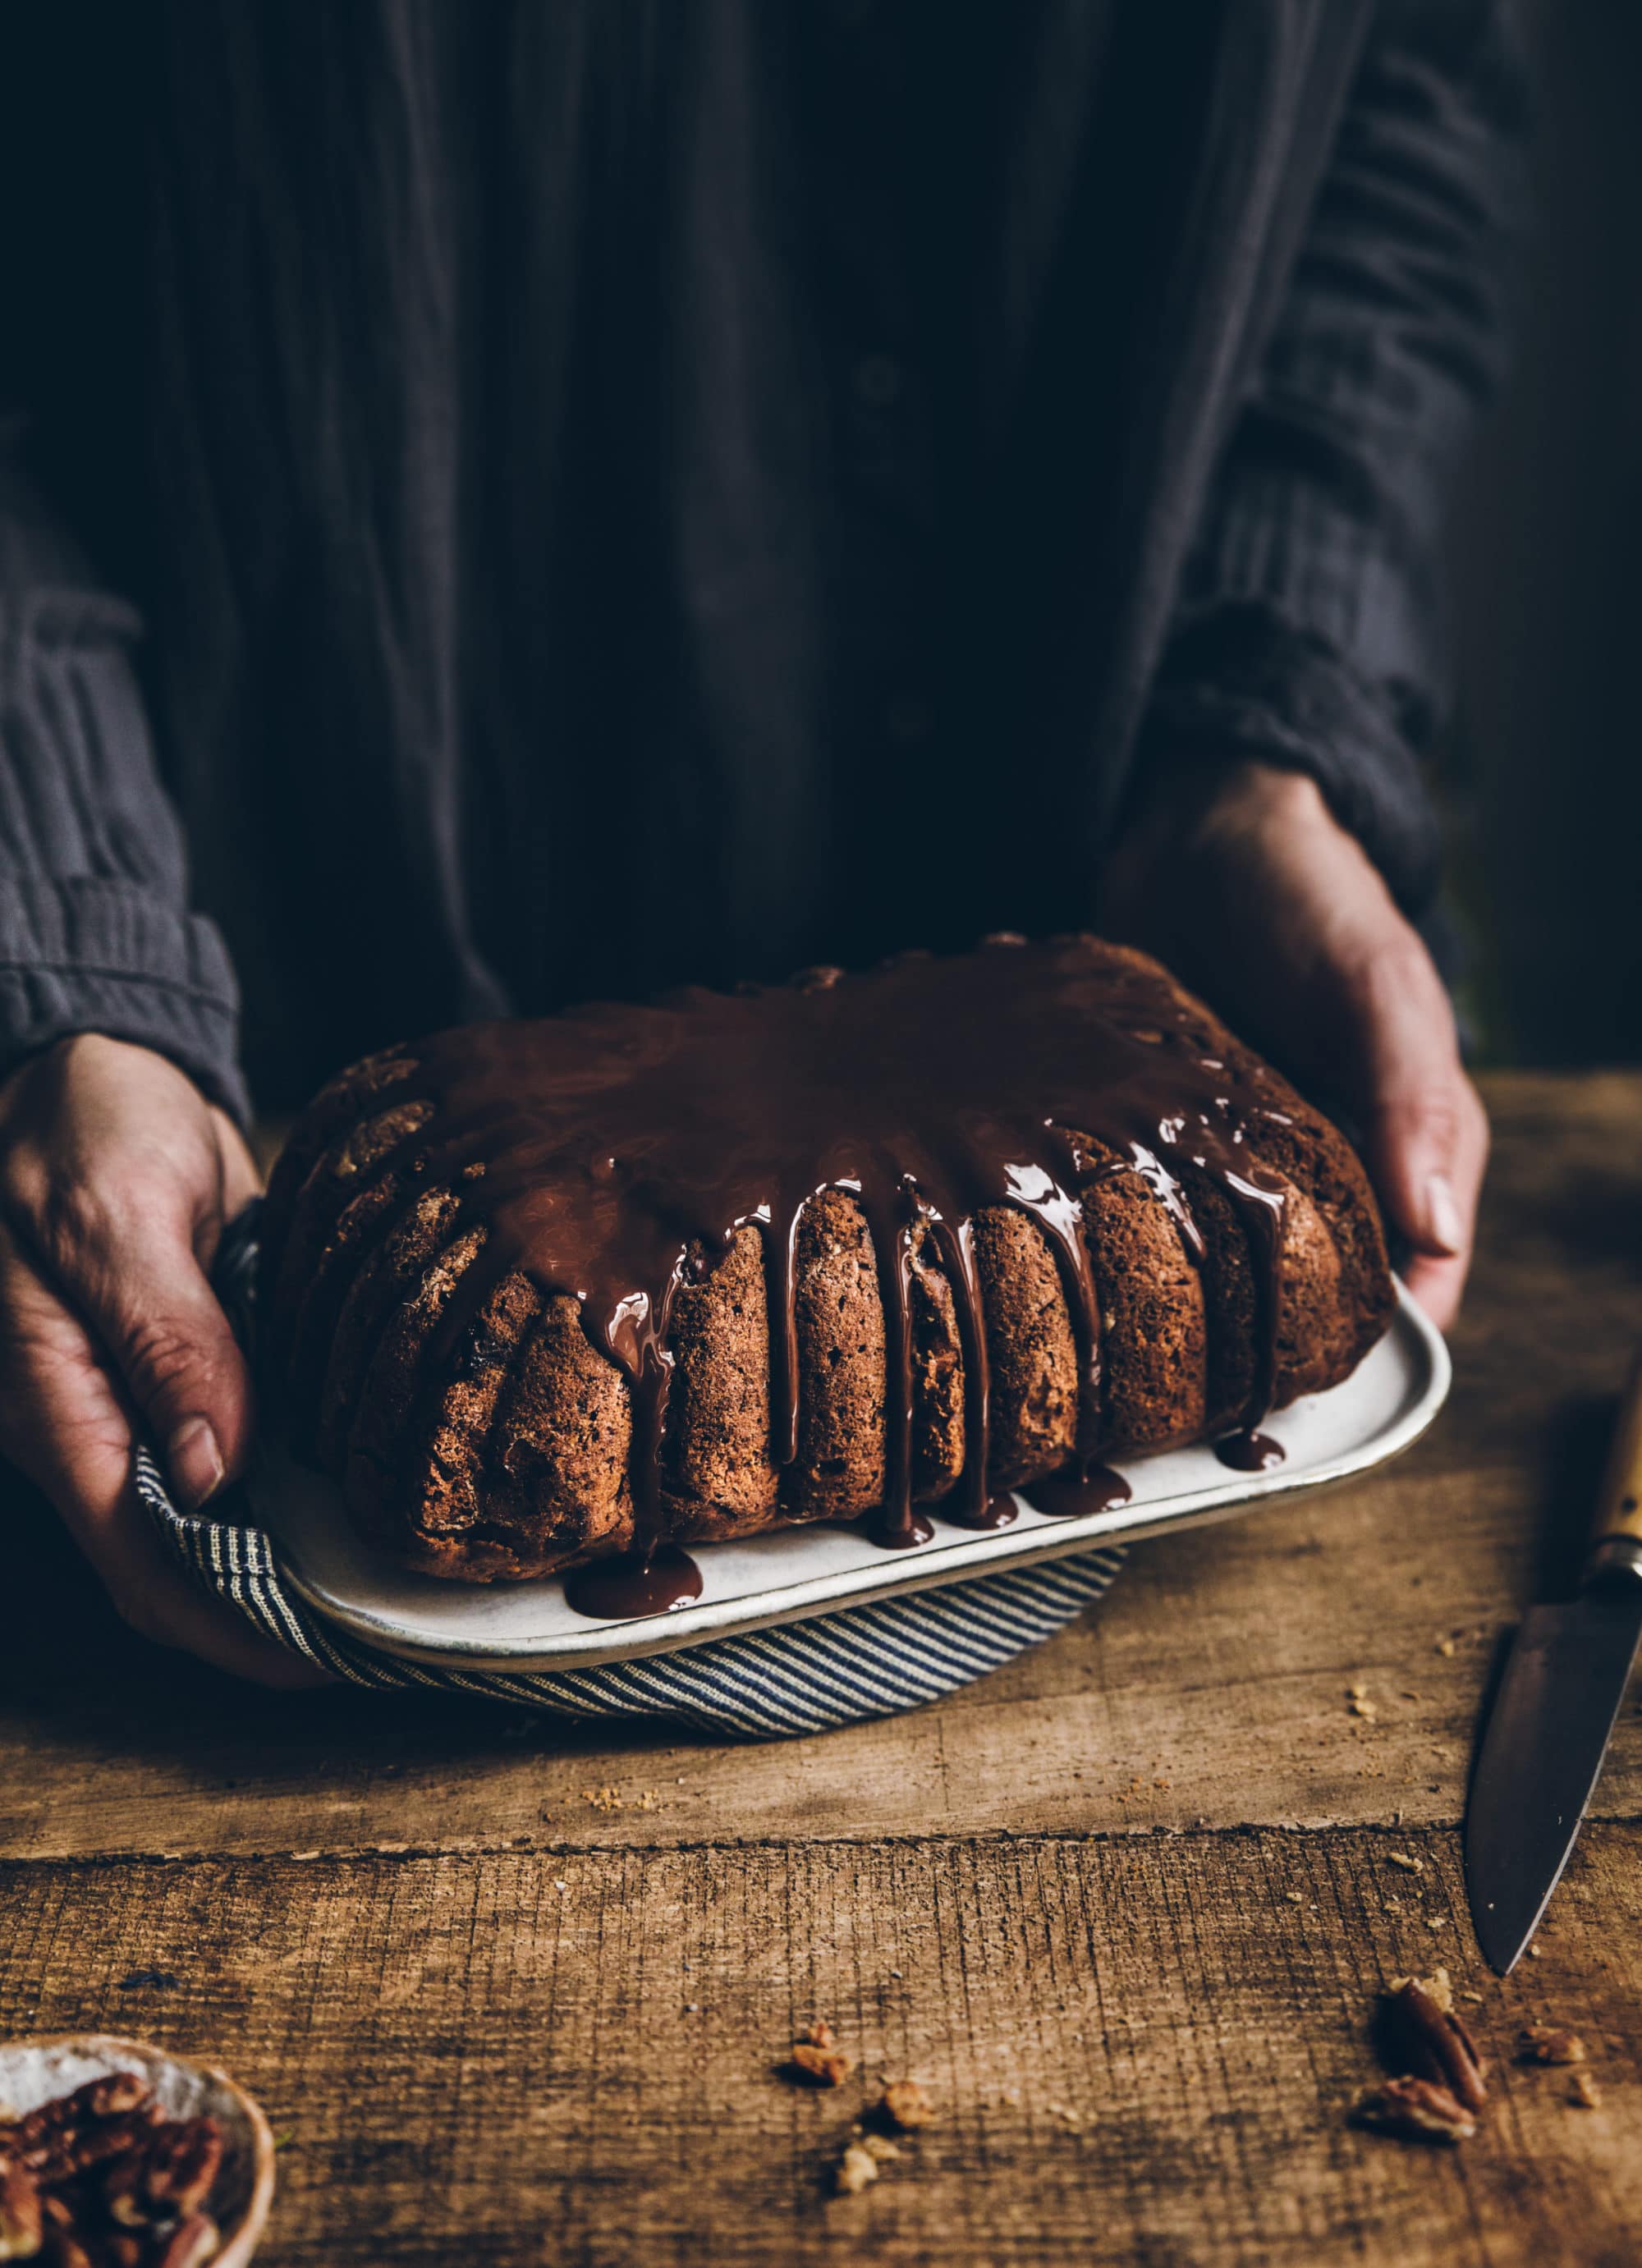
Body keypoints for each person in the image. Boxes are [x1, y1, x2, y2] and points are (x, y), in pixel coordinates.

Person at [0, 3, 1518, 1683]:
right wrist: (61, 927)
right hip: (254, 996)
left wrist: (1258, 740)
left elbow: (1403, 99)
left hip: (1144, 900)